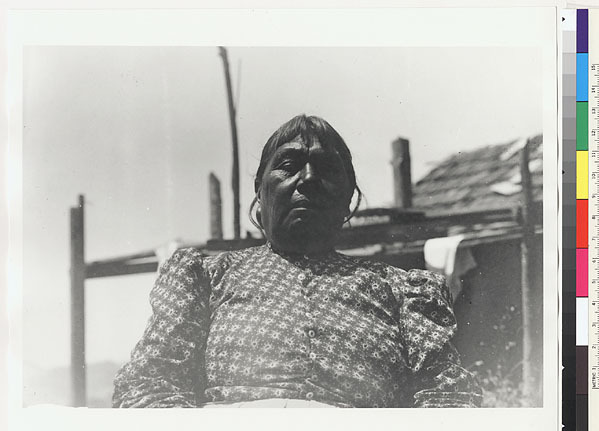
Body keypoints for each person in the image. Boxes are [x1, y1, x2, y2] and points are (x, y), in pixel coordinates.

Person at [113, 114, 482, 408]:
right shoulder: (208, 278)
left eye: (327, 169)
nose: (308, 179)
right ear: (260, 189)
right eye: (289, 165)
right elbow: (150, 383)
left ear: (348, 198)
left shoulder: (400, 291)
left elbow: (447, 397)